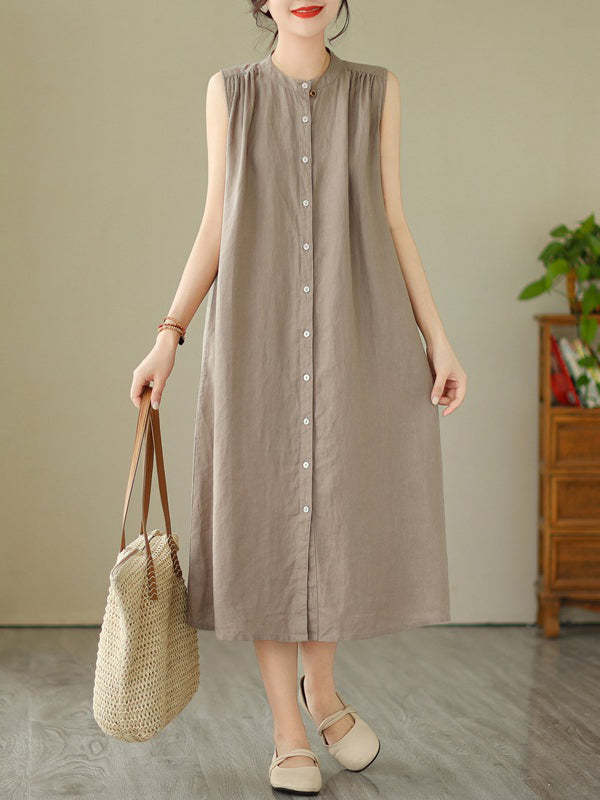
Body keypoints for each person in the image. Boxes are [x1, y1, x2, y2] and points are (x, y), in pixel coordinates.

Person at [131, 0, 467, 794]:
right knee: (263, 525)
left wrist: (438, 338)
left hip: (358, 334)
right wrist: (169, 333)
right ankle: (290, 728)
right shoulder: (230, 92)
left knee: (337, 517)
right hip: (257, 337)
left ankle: (324, 691)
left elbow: (393, 221)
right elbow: (216, 222)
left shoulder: (377, 91)